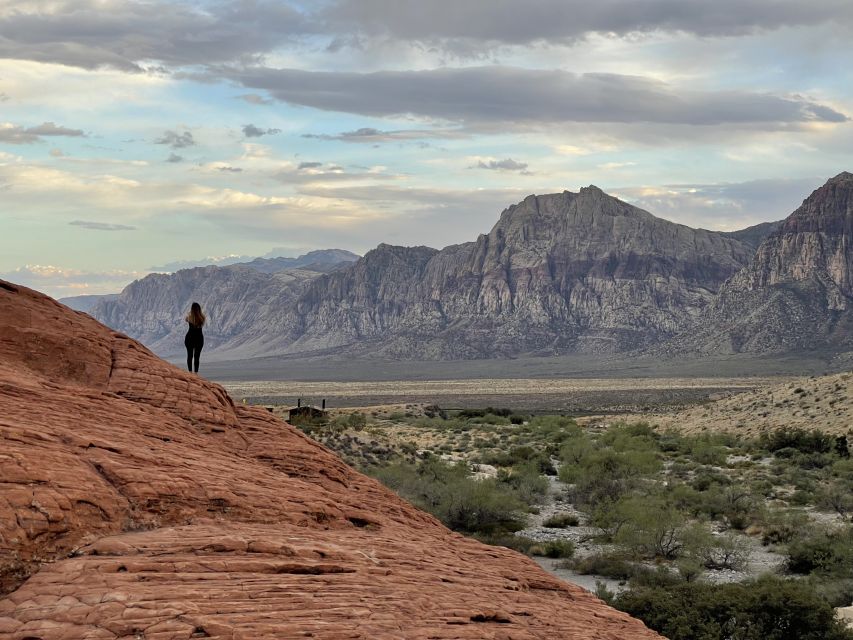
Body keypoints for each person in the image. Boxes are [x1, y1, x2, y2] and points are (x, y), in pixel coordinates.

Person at [184, 302, 205, 373]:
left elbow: (186, 319)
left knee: (189, 356)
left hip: (189, 338)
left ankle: (190, 372)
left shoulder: (189, 318)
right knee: (197, 357)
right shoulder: (202, 318)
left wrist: (190, 313)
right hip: (199, 339)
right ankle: (196, 373)